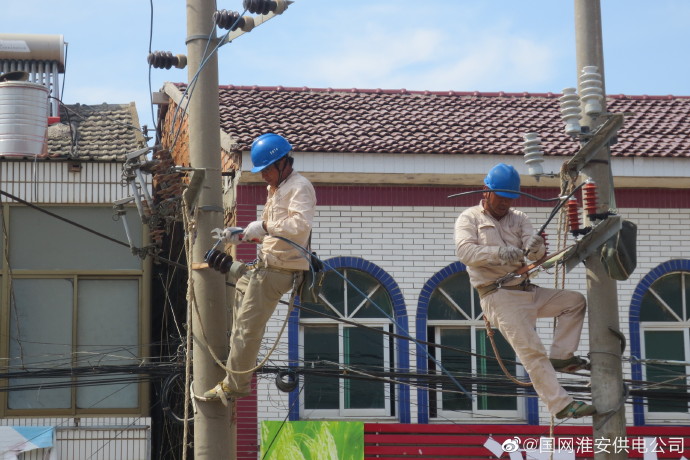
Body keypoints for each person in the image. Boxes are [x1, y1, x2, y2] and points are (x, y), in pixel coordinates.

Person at [453, 163, 595, 419]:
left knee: (574, 302)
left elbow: (536, 254)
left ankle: (562, 356)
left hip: (527, 290)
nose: (505, 203)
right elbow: (465, 252)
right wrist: (499, 253)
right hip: (498, 296)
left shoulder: (519, 218)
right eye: (500, 197)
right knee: (532, 350)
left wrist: (537, 247)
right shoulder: (469, 218)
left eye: (510, 198)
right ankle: (560, 404)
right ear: (486, 191)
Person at [203, 133, 316, 401]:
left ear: (282, 163)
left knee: (247, 329)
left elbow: (299, 227)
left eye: (267, 169)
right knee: (242, 302)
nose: (264, 175)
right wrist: (243, 234)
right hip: (266, 265)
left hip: (280, 270)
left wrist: (263, 226)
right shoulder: (276, 188)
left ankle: (235, 386)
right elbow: (275, 234)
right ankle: (240, 360)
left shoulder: (299, 187)